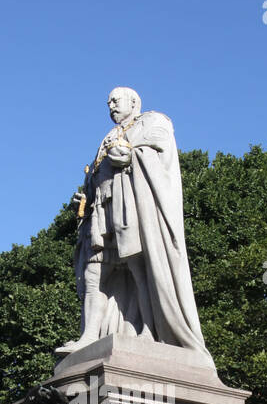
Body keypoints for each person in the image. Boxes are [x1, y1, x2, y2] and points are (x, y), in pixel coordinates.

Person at [57, 88, 213, 364]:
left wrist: (133, 156)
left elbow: (161, 155)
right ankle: (90, 335)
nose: (111, 106)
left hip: (129, 208)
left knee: (139, 269)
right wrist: (86, 196)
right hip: (101, 211)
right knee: (94, 273)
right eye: (108, 103)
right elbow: (97, 175)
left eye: (116, 101)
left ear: (134, 102)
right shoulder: (106, 136)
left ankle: (148, 330)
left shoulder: (153, 122)